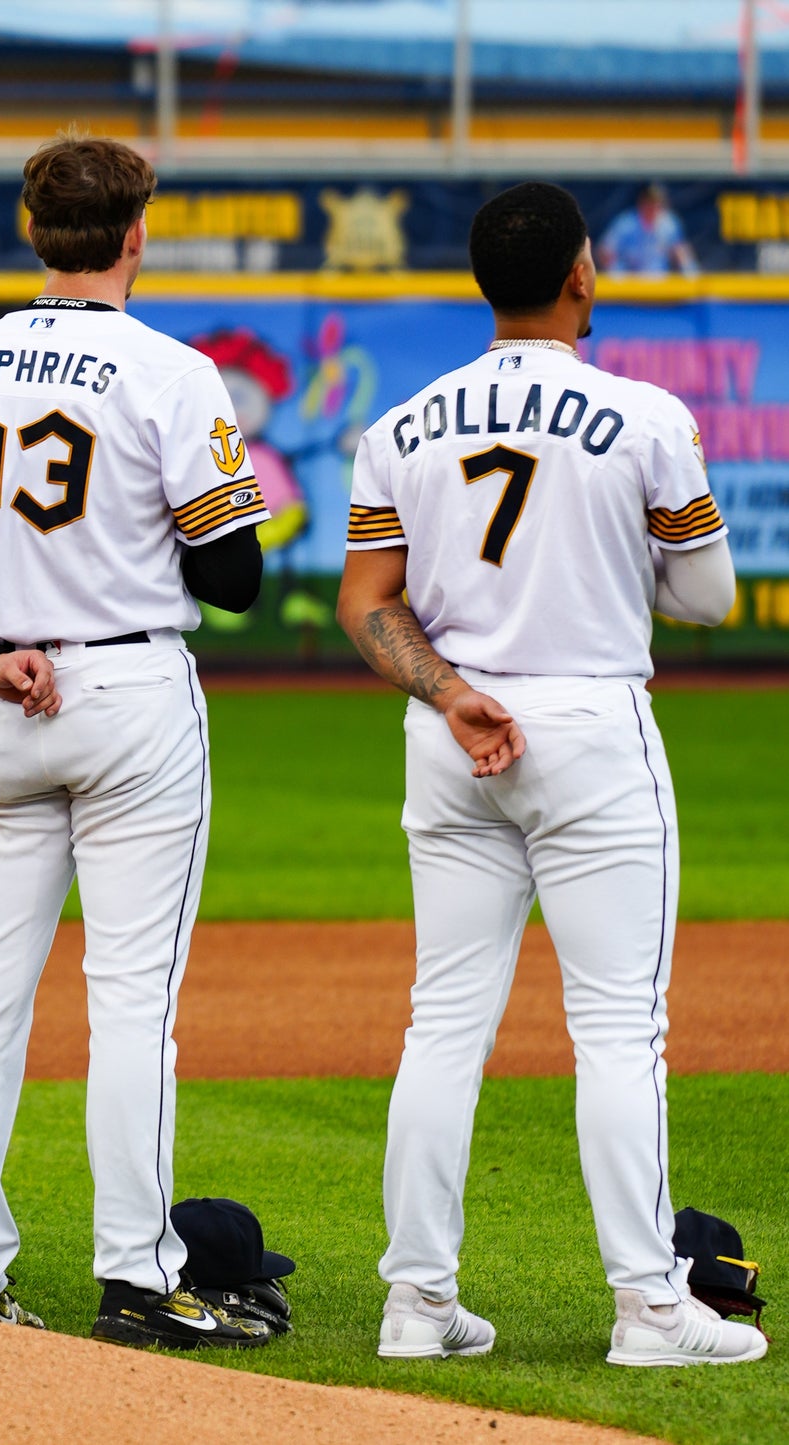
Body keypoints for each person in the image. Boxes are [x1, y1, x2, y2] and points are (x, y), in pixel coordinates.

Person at [336, 181, 765, 1368]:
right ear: (581, 273)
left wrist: (448, 690)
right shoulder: (642, 416)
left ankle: (415, 1301)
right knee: (619, 1029)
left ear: (483, 280)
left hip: (452, 725)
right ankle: (646, 1308)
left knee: (441, 1027)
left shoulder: (400, 423)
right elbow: (709, 599)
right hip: (586, 723)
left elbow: (366, 606)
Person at [0, 133, 272, 1350]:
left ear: (30, 230)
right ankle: (138, 1275)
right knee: (130, 998)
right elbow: (234, 574)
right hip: (127, 692)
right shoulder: (170, 370)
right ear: (134, 235)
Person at [599, 182, 698, 277]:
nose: (653, 206)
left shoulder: (668, 223)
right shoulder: (627, 223)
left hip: (659, 284)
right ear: (641, 202)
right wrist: (617, 273)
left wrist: (690, 274)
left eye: (656, 202)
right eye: (649, 202)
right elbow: (605, 251)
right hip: (630, 284)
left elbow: (681, 252)